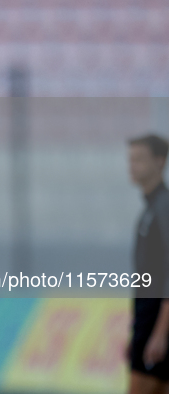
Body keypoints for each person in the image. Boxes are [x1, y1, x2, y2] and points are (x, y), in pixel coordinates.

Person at [128, 134, 169, 394]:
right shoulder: (151, 208)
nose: (132, 166)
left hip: (157, 322)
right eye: (130, 160)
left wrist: (159, 333)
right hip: (148, 320)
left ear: (160, 161)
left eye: (139, 159)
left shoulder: (164, 207)